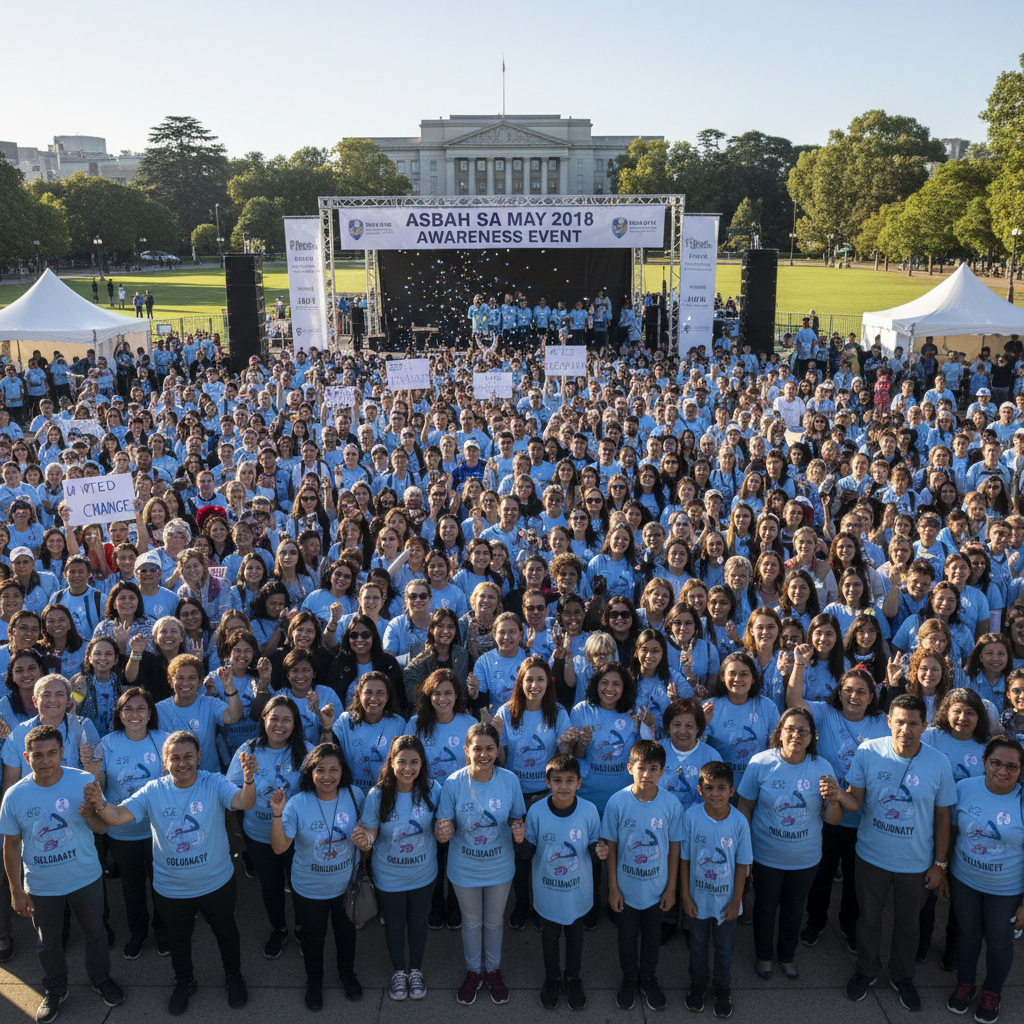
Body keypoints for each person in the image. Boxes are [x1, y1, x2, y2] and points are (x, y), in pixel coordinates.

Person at [84, 733, 257, 1014]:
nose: (182, 763)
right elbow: (116, 817)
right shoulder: (153, 790)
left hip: (217, 883)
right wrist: (99, 802)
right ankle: (184, 981)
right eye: (174, 757)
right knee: (178, 939)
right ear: (165, 762)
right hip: (171, 888)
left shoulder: (213, 782)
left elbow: (244, 802)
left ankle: (233, 976)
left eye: (188, 756)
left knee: (226, 932)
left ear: (199, 758)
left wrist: (249, 779)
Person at [832, 693, 958, 1011]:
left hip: (915, 864)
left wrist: (940, 864)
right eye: (899, 721)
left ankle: (902, 977)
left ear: (924, 726)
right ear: (889, 722)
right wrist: (835, 795)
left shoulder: (938, 762)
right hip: (871, 856)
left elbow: (944, 817)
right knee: (868, 921)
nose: (905, 729)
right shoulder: (868, 751)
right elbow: (854, 801)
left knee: (909, 925)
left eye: (913, 723)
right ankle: (866, 971)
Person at [0, 723, 126, 1024]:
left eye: (52, 753)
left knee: (95, 933)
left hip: (85, 878)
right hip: (42, 886)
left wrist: (93, 813)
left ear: (62, 753)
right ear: (27, 756)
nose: (45, 761)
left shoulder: (83, 781)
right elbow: (11, 845)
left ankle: (101, 978)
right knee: (48, 942)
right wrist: (16, 891)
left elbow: (101, 828)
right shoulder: (14, 795)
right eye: (37, 755)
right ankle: (56, 989)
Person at [737, 706, 841, 980]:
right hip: (765, 854)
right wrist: (745, 851)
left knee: (794, 910)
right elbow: (745, 808)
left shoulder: (823, 767)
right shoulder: (760, 762)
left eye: (803, 730)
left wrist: (835, 800)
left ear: (812, 736)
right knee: (765, 907)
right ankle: (764, 956)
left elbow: (832, 818)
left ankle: (786, 955)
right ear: (779, 733)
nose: (796, 734)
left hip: (805, 857)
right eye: (790, 729)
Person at [435, 721, 526, 1005]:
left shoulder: (510, 780)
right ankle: (474, 972)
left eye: (490, 749)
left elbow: (516, 815)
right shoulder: (453, 782)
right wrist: (443, 830)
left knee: (493, 921)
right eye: (477, 749)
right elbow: (443, 822)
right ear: (466, 750)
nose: (484, 755)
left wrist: (517, 827)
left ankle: (493, 970)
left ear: (499, 750)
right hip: (464, 868)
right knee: (472, 923)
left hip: (500, 866)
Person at [269, 743, 365, 1011]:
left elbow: (367, 837)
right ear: (310, 772)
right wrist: (277, 813)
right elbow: (279, 847)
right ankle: (314, 981)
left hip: (348, 887)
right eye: (320, 769)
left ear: (342, 771)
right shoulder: (297, 803)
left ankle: (346, 974)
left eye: (334, 769)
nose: (327, 776)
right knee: (313, 938)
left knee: (347, 934)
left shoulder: (355, 795)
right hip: (310, 889)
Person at [941, 737, 1024, 1023]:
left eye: (1012, 766)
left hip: (1007, 891)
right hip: (965, 882)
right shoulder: (964, 788)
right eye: (996, 763)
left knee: (1000, 943)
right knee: (967, 935)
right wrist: (942, 871)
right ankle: (965, 984)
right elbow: (951, 832)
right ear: (985, 762)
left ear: (1020, 770)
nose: (1003, 770)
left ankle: (992, 992)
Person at [514, 752, 606, 1010]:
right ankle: (552, 978)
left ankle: (573, 978)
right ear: (548, 782)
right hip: (548, 894)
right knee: (550, 937)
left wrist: (599, 853)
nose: (563, 786)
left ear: (579, 783)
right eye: (557, 780)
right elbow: (528, 853)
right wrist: (519, 841)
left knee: (576, 938)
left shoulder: (588, 810)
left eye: (569, 780)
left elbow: (592, 847)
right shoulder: (537, 811)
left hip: (578, 893)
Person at [356, 734, 442, 1002]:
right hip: (388, 876)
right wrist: (364, 839)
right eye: (401, 761)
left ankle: (415, 970)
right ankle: (398, 972)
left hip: (424, 874)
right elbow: (370, 834)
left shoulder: (433, 789)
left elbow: (444, 823)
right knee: (394, 925)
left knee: (418, 923)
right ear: (391, 762)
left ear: (422, 763)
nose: (408, 768)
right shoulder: (377, 795)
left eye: (414, 762)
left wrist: (445, 828)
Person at [227, 694, 312, 959]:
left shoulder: (307, 750)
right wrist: (247, 779)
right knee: (271, 887)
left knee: (299, 885)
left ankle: (301, 926)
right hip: (259, 836)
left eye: (287, 719)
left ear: (295, 723)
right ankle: (279, 929)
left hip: (296, 837)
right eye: (274, 718)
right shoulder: (247, 750)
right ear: (263, 719)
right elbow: (231, 796)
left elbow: (321, 788)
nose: (280, 724)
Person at [601, 739, 682, 1011]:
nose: (647, 774)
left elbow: (674, 849)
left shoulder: (671, 804)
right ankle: (629, 976)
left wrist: (671, 889)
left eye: (654, 768)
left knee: (651, 936)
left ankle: (648, 976)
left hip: (657, 890)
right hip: (625, 888)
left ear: (663, 771)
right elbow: (611, 848)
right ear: (629, 768)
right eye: (641, 767)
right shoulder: (617, 802)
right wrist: (613, 888)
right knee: (626, 936)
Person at [93, 687, 169, 960]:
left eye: (141, 709)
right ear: (119, 714)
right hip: (121, 831)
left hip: (157, 830)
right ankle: (138, 932)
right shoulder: (107, 742)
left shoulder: (165, 740)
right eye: (128, 709)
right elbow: (98, 781)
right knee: (131, 886)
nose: (134, 714)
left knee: (160, 883)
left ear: (150, 713)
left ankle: (163, 932)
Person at [680, 760, 752, 1019]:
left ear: (732, 791)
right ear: (700, 790)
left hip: (727, 902)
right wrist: (685, 896)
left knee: (724, 947)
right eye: (709, 788)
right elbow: (685, 860)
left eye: (722, 788)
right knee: (698, 944)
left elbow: (743, 864)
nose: (715, 794)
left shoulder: (740, 822)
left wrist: (736, 901)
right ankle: (698, 982)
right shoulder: (690, 817)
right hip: (697, 900)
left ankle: (722, 986)